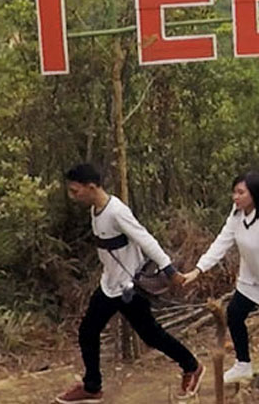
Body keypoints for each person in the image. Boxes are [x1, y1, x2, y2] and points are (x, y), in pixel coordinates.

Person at [57, 164, 202, 404]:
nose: (73, 196)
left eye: (75, 191)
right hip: (110, 285)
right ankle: (92, 387)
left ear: (91, 187)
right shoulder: (96, 210)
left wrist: (169, 270)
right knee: (88, 331)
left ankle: (192, 366)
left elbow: (144, 238)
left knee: (151, 335)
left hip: (130, 287)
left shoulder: (116, 211)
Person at [181, 171, 259, 386]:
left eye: (240, 192)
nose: (235, 197)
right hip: (249, 278)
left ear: (254, 194)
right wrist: (199, 269)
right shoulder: (237, 215)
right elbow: (222, 241)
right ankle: (243, 363)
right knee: (235, 315)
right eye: (234, 192)